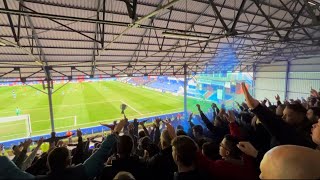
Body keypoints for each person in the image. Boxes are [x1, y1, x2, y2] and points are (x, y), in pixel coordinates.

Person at [38, 120, 125, 180]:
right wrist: (116, 132)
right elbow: (101, 152)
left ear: (48, 163)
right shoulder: (79, 173)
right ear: (69, 160)